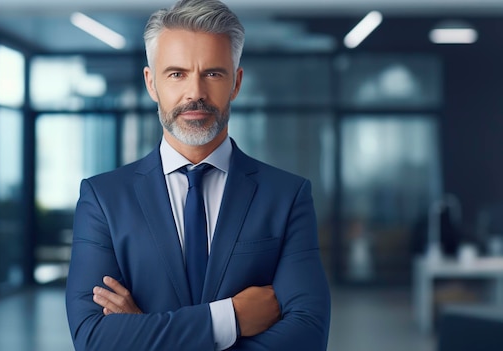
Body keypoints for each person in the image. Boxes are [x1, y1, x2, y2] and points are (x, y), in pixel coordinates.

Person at [65, 0, 331, 350]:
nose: (195, 93)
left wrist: (143, 330)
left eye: (213, 74)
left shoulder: (287, 196)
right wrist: (231, 317)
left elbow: (307, 335)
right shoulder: (103, 199)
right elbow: (94, 338)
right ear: (151, 83)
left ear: (235, 83)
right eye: (176, 74)